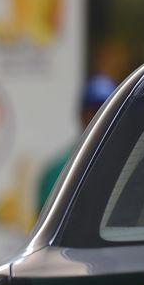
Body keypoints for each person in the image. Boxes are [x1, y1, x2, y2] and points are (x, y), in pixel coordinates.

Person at [36, 74, 117, 212]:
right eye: (94, 111)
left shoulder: (129, 163)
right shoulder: (58, 171)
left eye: (107, 110)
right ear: (82, 115)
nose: (100, 118)